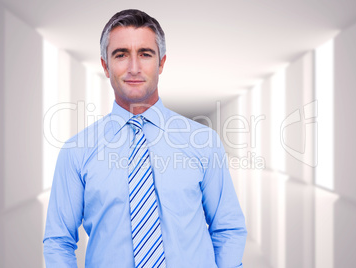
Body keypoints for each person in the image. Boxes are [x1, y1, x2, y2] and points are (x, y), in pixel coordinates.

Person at [43, 9, 247, 268]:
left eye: (145, 54)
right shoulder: (76, 151)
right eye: (121, 55)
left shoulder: (203, 142)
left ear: (161, 63)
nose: (134, 68)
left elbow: (227, 228)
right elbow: (58, 242)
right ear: (105, 66)